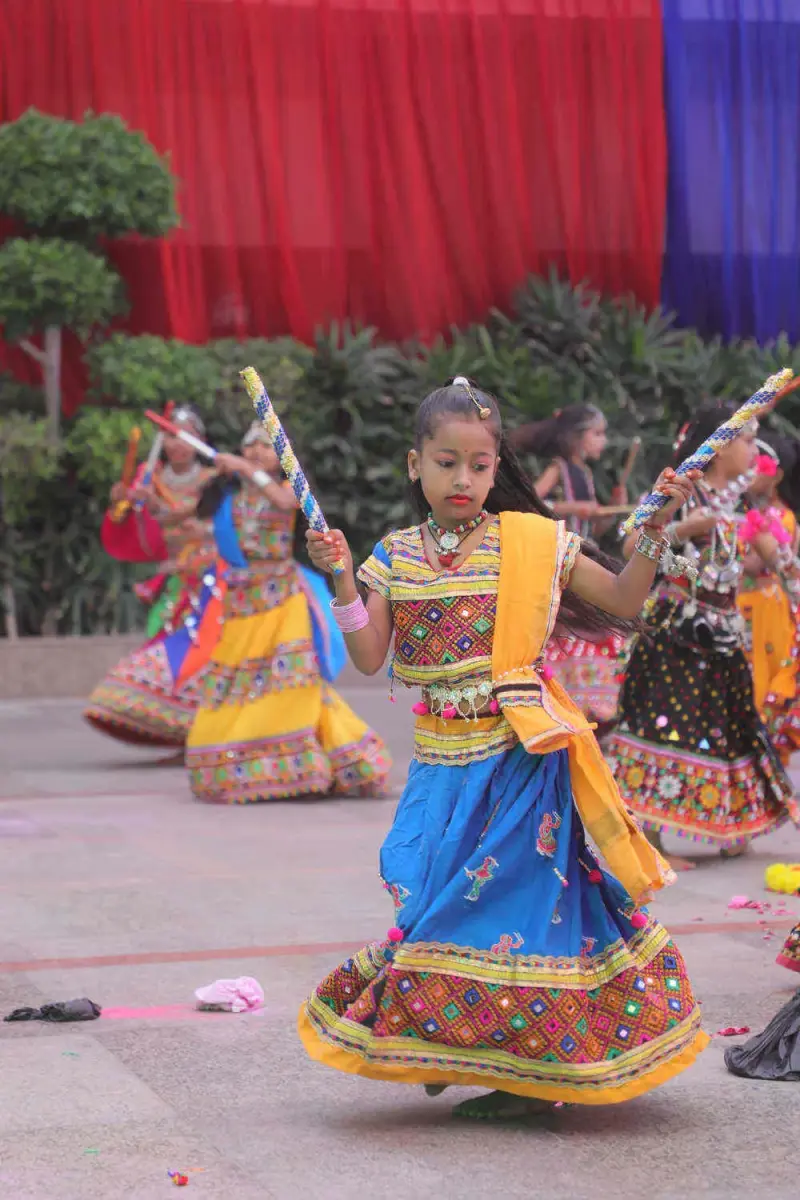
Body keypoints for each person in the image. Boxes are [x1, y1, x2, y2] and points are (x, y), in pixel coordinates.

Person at [298, 377, 708, 1121]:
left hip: (520, 760)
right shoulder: (395, 556)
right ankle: (460, 1038)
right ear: (414, 464)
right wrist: (339, 577)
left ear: (497, 468)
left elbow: (623, 600)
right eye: (446, 462)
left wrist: (654, 528)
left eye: (479, 464)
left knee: (506, 909)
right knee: (433, 908)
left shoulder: (533, 543)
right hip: (439, 768)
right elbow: (368, 656)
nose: (463, 478)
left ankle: (522, 1074)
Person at [605, 401, 799, 872]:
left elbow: (777, 558)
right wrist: (683, 528)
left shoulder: (741, 502)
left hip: (724, 634)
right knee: (665, 725)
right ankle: (650, 836)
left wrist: (786, 567)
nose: (755, 450)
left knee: (729, 729)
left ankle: (728, 827)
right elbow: (630, 544)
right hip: (675, 632)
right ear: (721, 446)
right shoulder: (680, 491)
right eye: (748, 440)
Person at [185, 422, 391, 803]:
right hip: (241, 602)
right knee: (239, 683)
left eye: (265, 446)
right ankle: (243, 765)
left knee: (292, 683)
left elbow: (284, 504)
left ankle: (301, 765)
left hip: (282, 599)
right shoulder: (232, 496)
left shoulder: (285, 488)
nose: (256, 452)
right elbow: (201, 527)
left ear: (281, 457)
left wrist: (245, 469)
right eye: (250, 446)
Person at [84, 407, 219, 748]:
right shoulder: (149, 479)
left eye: (186, 436)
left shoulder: (214, 479)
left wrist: (162, 509)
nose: (178, 444)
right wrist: (122, 504)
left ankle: (207, 729)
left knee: (206, 653)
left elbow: (226, 523)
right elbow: (134, 525)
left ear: (200, 440)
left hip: (212, 582)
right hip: (174, 582)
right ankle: (178, 729)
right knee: (163, 650)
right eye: (171, 436)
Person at [510, 404, 627, 728]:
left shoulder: (584, 473)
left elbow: (594, 529)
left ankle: (592, 703)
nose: (603, 441)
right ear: (576, 437)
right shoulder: (558, 468)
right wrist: (573, 507)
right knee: (569, 630)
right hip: (561, 563)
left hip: (584, 560)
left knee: (598, 627)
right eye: (597, 433)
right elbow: (530, 503)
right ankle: (561, 699)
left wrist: (611, 508)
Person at [737, 436, 800, 765]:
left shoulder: (781, 517)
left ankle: (763, 757)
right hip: (744, 605)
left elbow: (756, 563)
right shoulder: (748, 512)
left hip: (767, 610)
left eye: (758, 464)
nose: (750, 469)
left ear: (776, 475)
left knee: (761, 678)